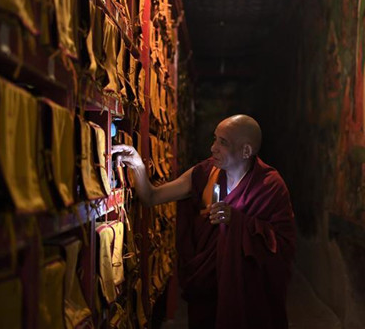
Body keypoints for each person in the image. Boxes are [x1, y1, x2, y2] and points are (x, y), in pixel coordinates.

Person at [112, 115, 297, 329]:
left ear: (246, 151)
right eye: (214, 139)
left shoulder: (270, 186)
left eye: (223, 142)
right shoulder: (206, 173)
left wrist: (238, 221)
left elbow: (281, 245)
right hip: (208, 287)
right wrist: (137, 164)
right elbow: (151, 197)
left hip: (248, 291)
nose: (213, 148)